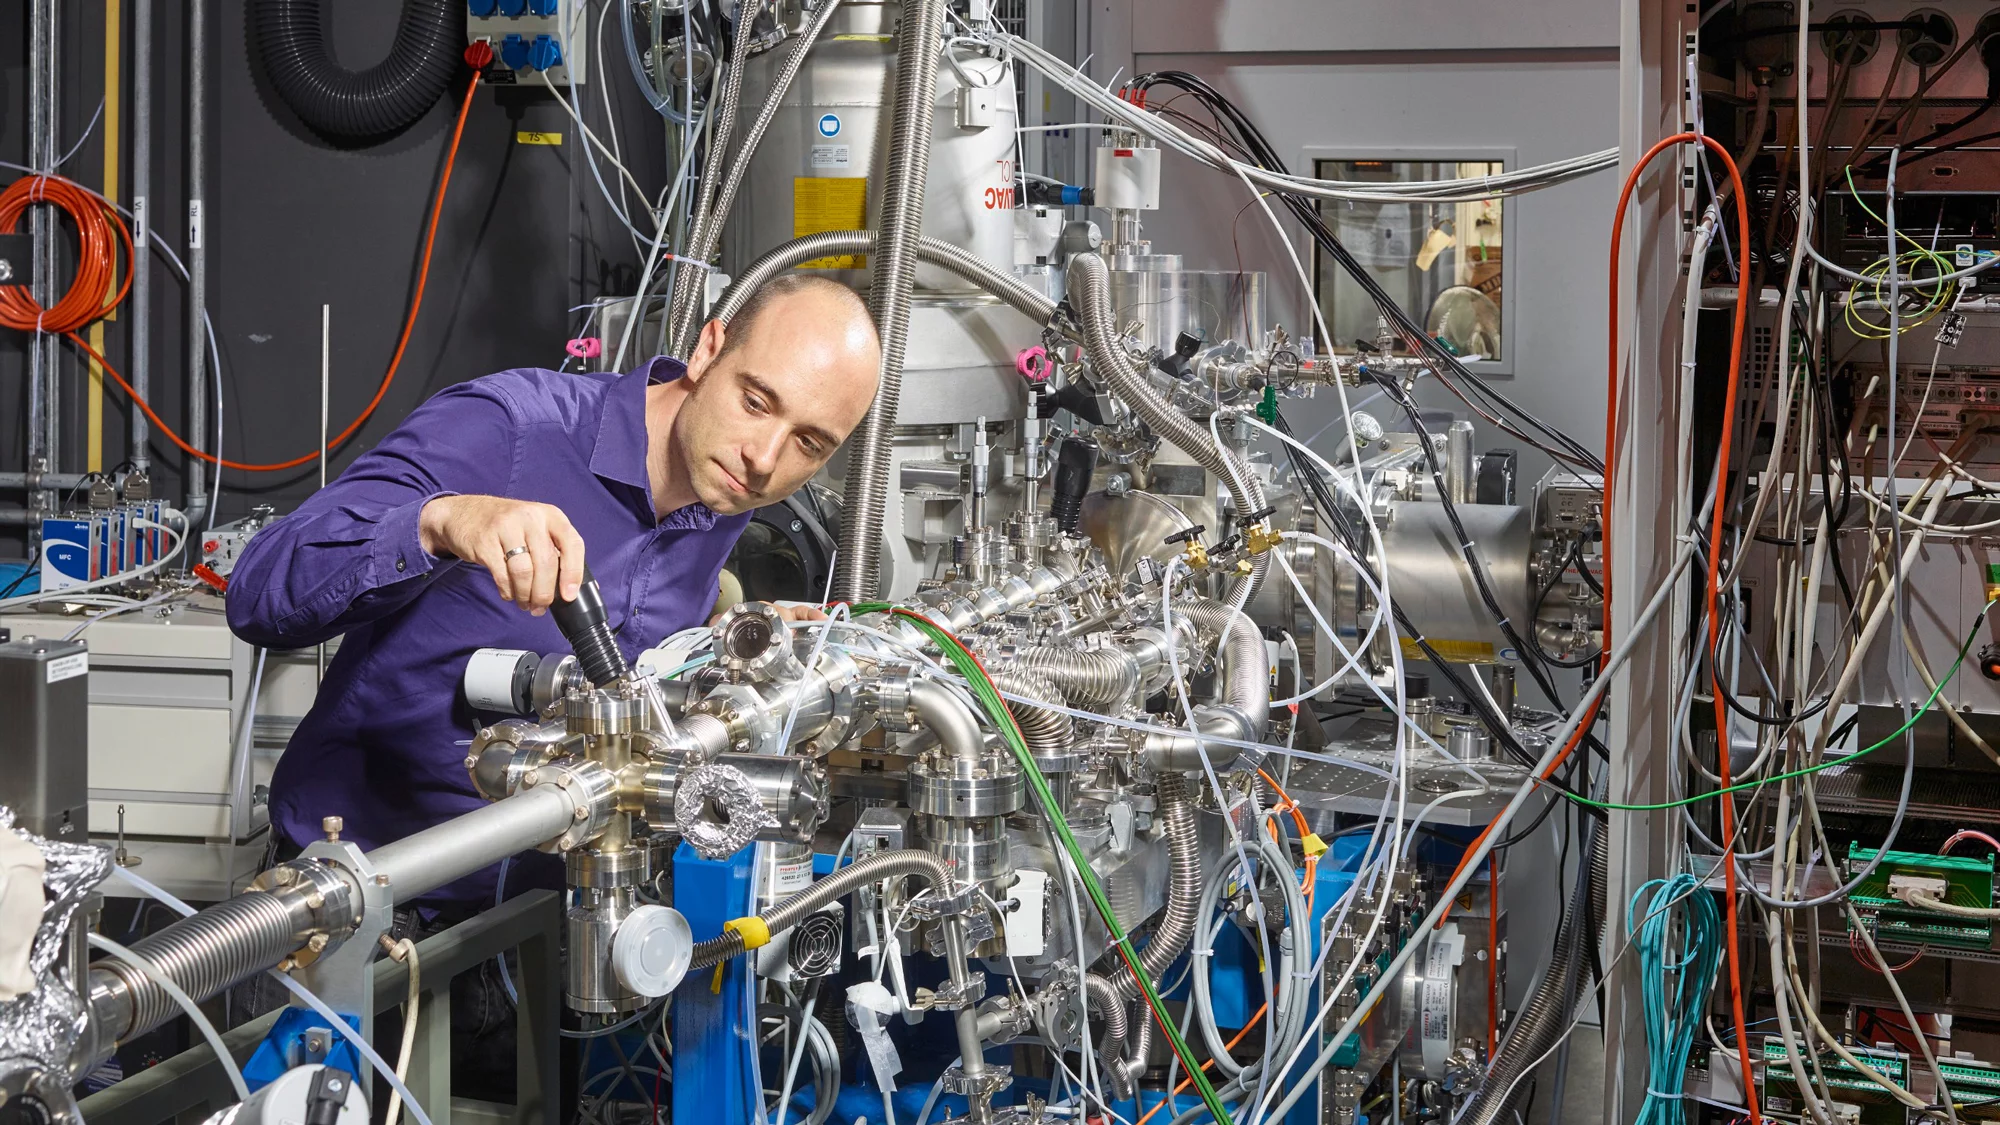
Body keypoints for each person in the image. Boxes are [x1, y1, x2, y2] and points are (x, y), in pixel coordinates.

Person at [227, 274, 881, 906]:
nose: (765, 456)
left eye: (808, 442)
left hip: (539, 919)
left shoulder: (724, 493)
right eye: (757, 401)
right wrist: (441, 522)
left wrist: (723, 647)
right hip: (360, 903)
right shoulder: (511, 429)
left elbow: (625, 673)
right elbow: (257, 592)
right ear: (707, 350)